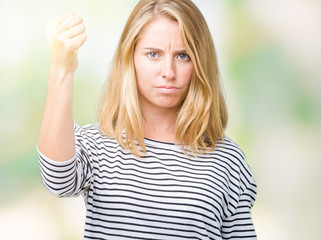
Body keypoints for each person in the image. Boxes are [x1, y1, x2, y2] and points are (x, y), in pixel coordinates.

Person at [37, 0, 257, 239]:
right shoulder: (96, 144)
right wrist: (61, 68)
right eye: (153, 54)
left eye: (183, 56)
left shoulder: (228, 160)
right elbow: (57, 180)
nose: (169, 71)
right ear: (130, 57)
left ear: (200, 62)